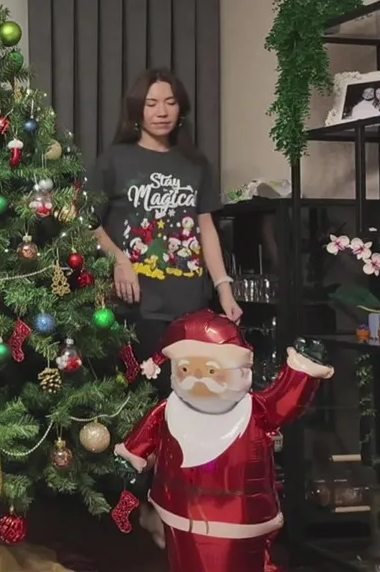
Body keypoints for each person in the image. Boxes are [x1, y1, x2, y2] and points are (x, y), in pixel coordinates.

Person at [92, 68, 242, 546]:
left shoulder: (195, 164)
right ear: (137, 111)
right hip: (137, 307)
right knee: (143, 410)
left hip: (189, 307)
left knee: (187, 410)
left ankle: (175, 506)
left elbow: (206, 228)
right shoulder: (114, 160)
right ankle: (139, 507)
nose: (161, 111)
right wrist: (120, 260)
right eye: (152, 103)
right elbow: (89, 222)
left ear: (181, 109)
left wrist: (223, 289)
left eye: (170, 102)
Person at [115, 310, 333, 572]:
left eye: (210, 370)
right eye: (185, 369)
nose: (198, 379)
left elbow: (283, 401)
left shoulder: (253, 411)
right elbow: (144, 436)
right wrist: (131, 458)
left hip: (238, 514)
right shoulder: (169, 410)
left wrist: (303, 370)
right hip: (180, 509)